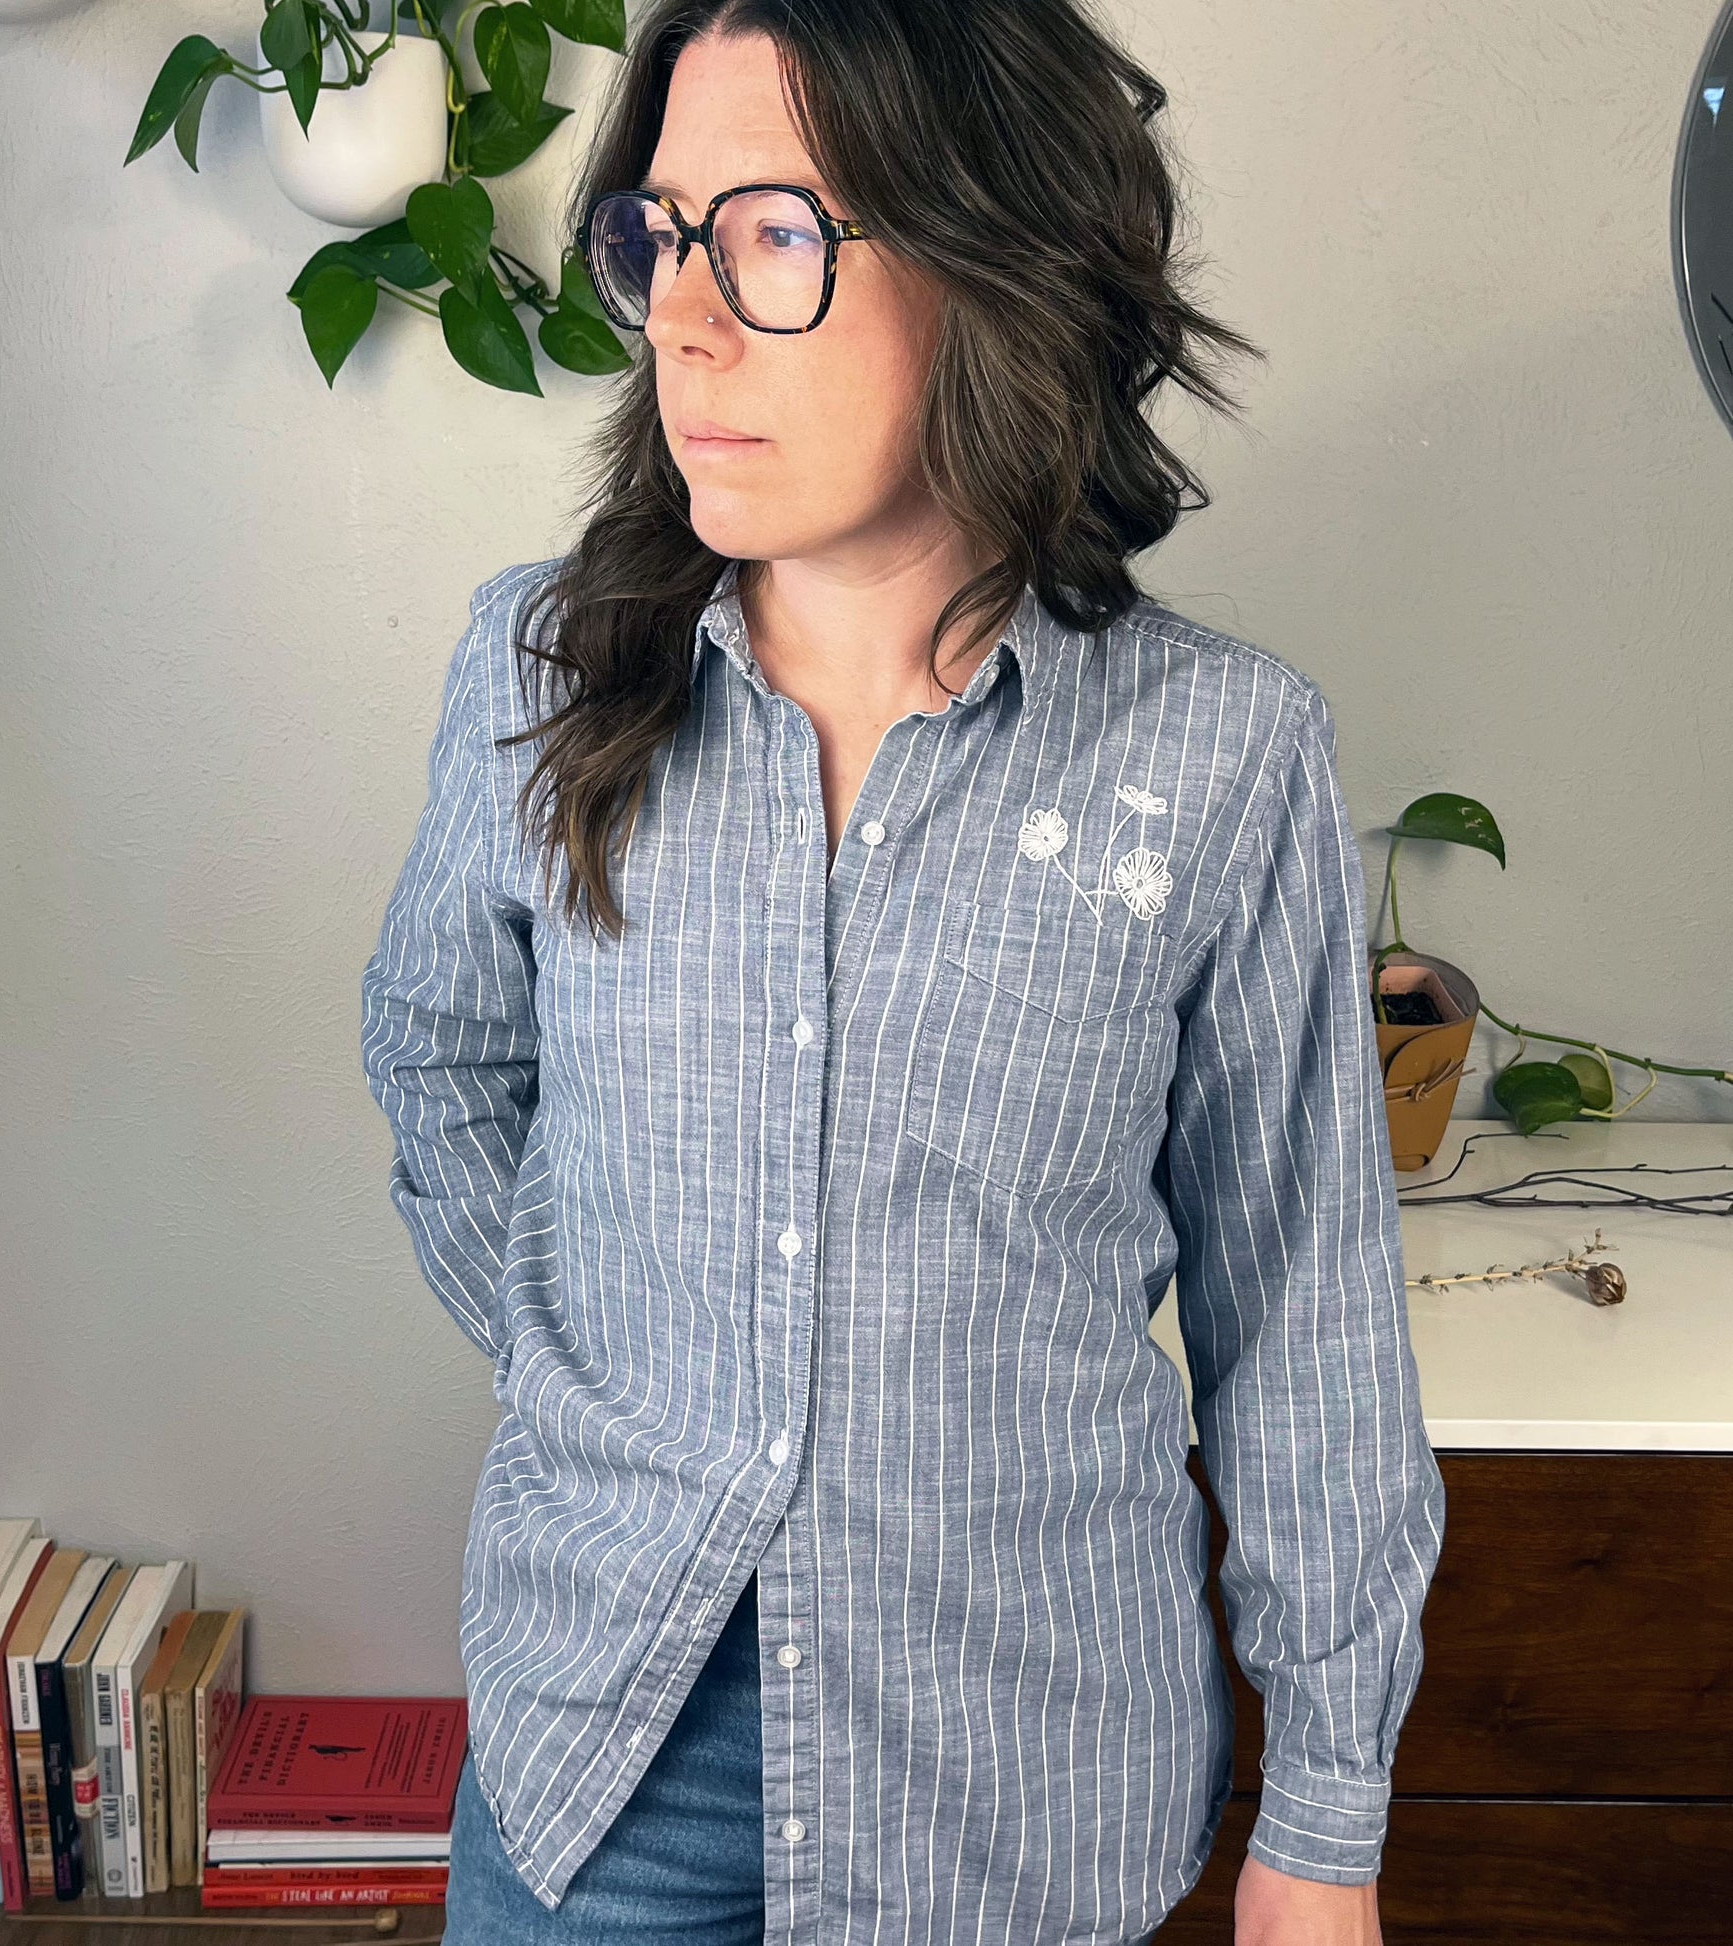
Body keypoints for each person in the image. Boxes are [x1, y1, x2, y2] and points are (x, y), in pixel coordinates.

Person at [358, 1, 1446, 1940]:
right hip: (609, 1764)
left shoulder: (1221, 756)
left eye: (769, 235)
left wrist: (1327, 1820)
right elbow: (440, 1066)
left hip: (1021, 1780)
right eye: (661, 235)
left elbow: (1300, 1314)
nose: (681, 319)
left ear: (989, 254)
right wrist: (595, 1366)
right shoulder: (534, 674)